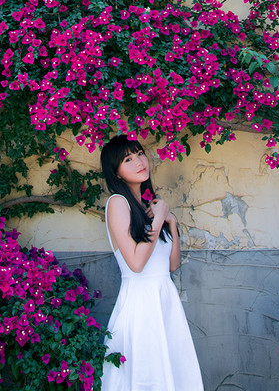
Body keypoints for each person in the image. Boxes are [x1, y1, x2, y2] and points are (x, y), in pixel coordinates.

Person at [100, 135, 204, 391]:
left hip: (165, 301)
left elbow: (171, 266)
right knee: (146, 375)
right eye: (128, 159)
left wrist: (172, 225)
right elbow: (136, 263)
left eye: (139, 153)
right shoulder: (117, 203)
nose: (138, 161)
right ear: (117, 173)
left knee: (173, 373)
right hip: (141, 305)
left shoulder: (149, 206)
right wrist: (158, 220)